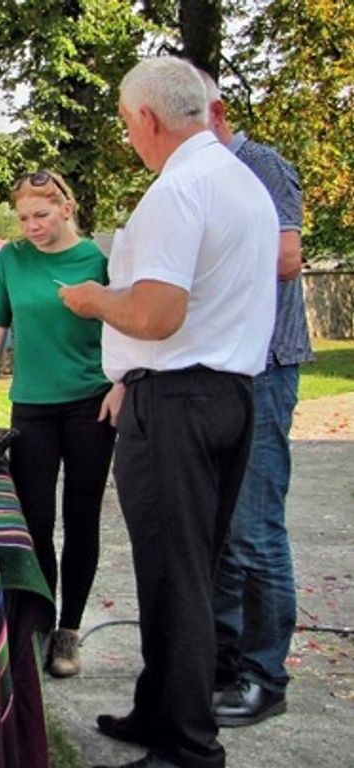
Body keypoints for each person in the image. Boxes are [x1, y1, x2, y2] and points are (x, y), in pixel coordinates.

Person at [59, 56, 277, 768]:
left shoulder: (177, 190)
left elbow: (156, 313)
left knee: (173, 573)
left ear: (146, 120)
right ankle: (161, 710)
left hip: (179, 400)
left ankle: (187, 745)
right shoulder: (241, 183)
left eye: (126, 124)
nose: (129, 137)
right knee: (184, 565)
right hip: (226, 393)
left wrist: (93, 300)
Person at [0, 169, 118, 678]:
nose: (31, 225)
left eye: (42, 214)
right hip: (31, 405)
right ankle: (40, 619)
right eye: (24, 216)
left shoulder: (98, 260)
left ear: (67, 209)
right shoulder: (12, 258)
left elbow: (127, 328)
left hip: (89, 404)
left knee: (81, 517)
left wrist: (121, 383)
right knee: (32, 520)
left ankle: (68, 631)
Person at [201, 72, 312, 728]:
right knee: (221, 526)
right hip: (223, 369)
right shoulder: (204, 178)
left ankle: (266, 675)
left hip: (266, 365)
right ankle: (224, 658)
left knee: (254, 523)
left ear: (212, 113)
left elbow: (286, 259)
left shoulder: (259, 164)